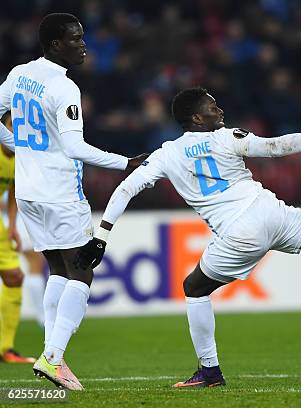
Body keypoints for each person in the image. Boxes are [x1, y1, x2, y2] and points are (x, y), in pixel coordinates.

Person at [74, 87, 301, 388]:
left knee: (195, 287)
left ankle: (210, 372)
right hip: (271, 212)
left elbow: (125, 189)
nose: (221, 112)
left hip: (240, 231)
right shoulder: (228, 137)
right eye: (213, 108)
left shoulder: (166, 154)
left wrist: (101, 236)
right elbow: (276, 147)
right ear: (197, 117)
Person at [0, 13, 147, 389]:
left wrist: (20, 146)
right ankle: (53, 358)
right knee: (82, 270)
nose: (83, 44)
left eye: (82, 37)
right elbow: (74, 147)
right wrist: (125, 163)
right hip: (60, 192)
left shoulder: (20, 74)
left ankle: (52, 354)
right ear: (54, 44)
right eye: (75, 39)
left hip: (28, 192)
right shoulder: (64, 88)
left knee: (59, 271)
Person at [0, 112, 35, 364]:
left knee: (15, 277)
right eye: (13, 125)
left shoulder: (20, 157)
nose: (17, 130)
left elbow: (14, 191)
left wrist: (12, 226)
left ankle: (5, 349)